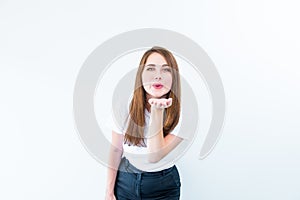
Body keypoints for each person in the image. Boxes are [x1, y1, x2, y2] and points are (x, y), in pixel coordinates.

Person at [105, 46, 186, 200]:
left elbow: (154, 156)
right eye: (150, 69)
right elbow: (116, 149)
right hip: (125, 181)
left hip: (162, 186)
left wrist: (157, 111)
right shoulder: (123, 106)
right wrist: (109, 191)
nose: (158, 76)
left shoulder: (183, 115)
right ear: (140, 76)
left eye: (166, 70)